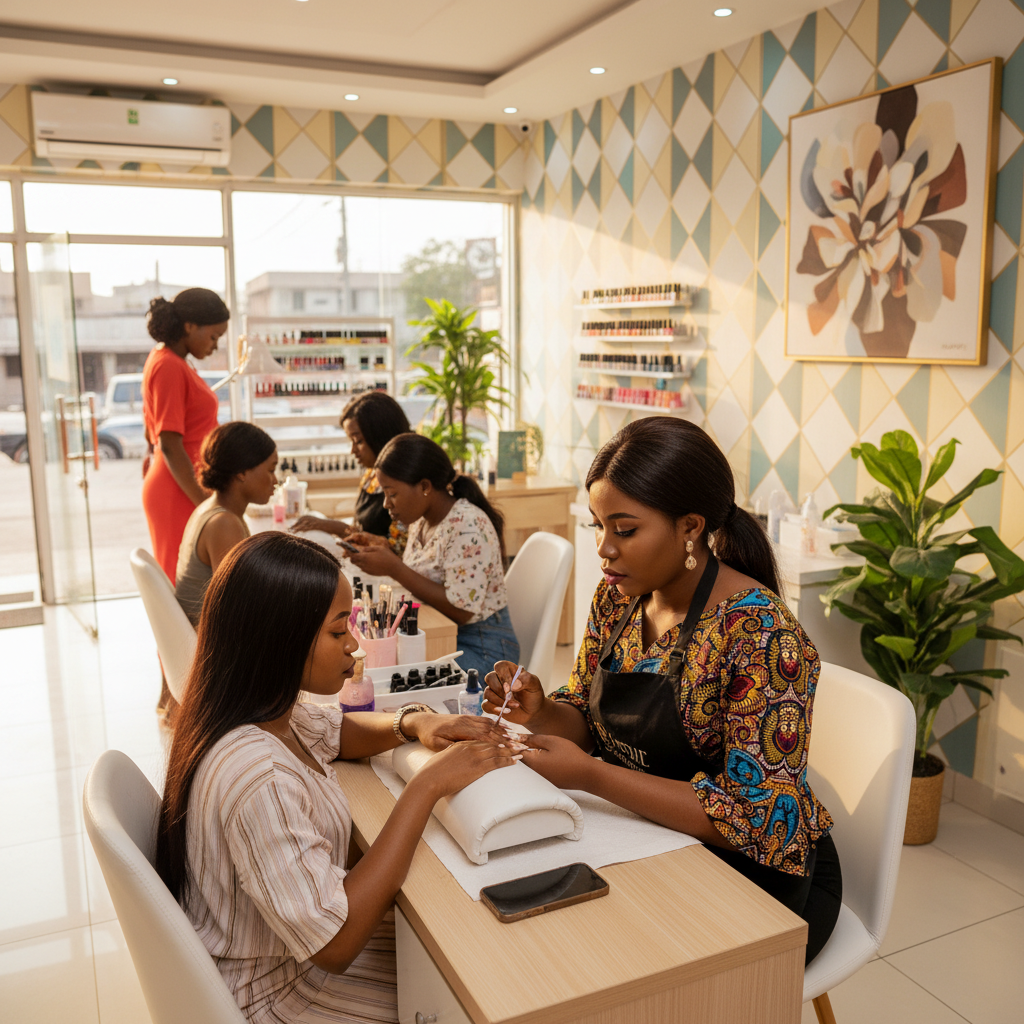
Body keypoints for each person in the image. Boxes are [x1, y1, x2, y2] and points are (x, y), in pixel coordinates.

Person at [482, 417, 842, 966]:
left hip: (755, 877)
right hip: (649, 836)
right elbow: (584, 714)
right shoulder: (619, 600)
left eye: (624, 530)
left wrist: (591, 774)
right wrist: (543, 712)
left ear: (690, 527)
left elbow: (761, 817)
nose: (604, 549)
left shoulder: (760, 635)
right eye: (599, 525)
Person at [156, 531, 517, 1024]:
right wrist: (427, 785)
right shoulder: (258, 776)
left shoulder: (260, 711)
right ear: (280, 640)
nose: (354, 645)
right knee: (478, 986)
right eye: (337, 631)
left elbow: (339, 731)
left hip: (287, 955)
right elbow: (336, 944)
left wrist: (414, 720)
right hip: (284, 992)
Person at [344, 433, 520, 679]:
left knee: (398, 679)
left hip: (483, 648)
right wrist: (384, 551)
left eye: (391, 494)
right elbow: (426, 571)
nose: (386, 504)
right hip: (443, 633)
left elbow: (462, 611)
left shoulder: (467, 526)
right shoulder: (422, 521)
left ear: (425, 487)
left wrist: (393, 567)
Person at [142, 287, 230, 582]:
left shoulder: (173, 361)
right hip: (178, 488)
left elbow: (150, 432)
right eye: (214, 336)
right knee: (183, 586)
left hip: (179, 481)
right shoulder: (168, 365)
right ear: (190, 326)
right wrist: (206, 502)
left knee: (193, 582)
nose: (215, 346)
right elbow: (168, 443)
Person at [175, 422, 278, 626]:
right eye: (271, 470)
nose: (275, 480)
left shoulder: (211, 508)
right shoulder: (223, 524)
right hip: (211, 644)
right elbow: (240, 608)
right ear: (242, 473)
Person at [292, 391, 411, 554]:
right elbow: (362, 527)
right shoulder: (372, 475)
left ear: (380, 435)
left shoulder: (408, 480)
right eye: (352, 442)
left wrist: (332, 526)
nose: (353, 450)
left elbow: (398, 550)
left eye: (358, 441)